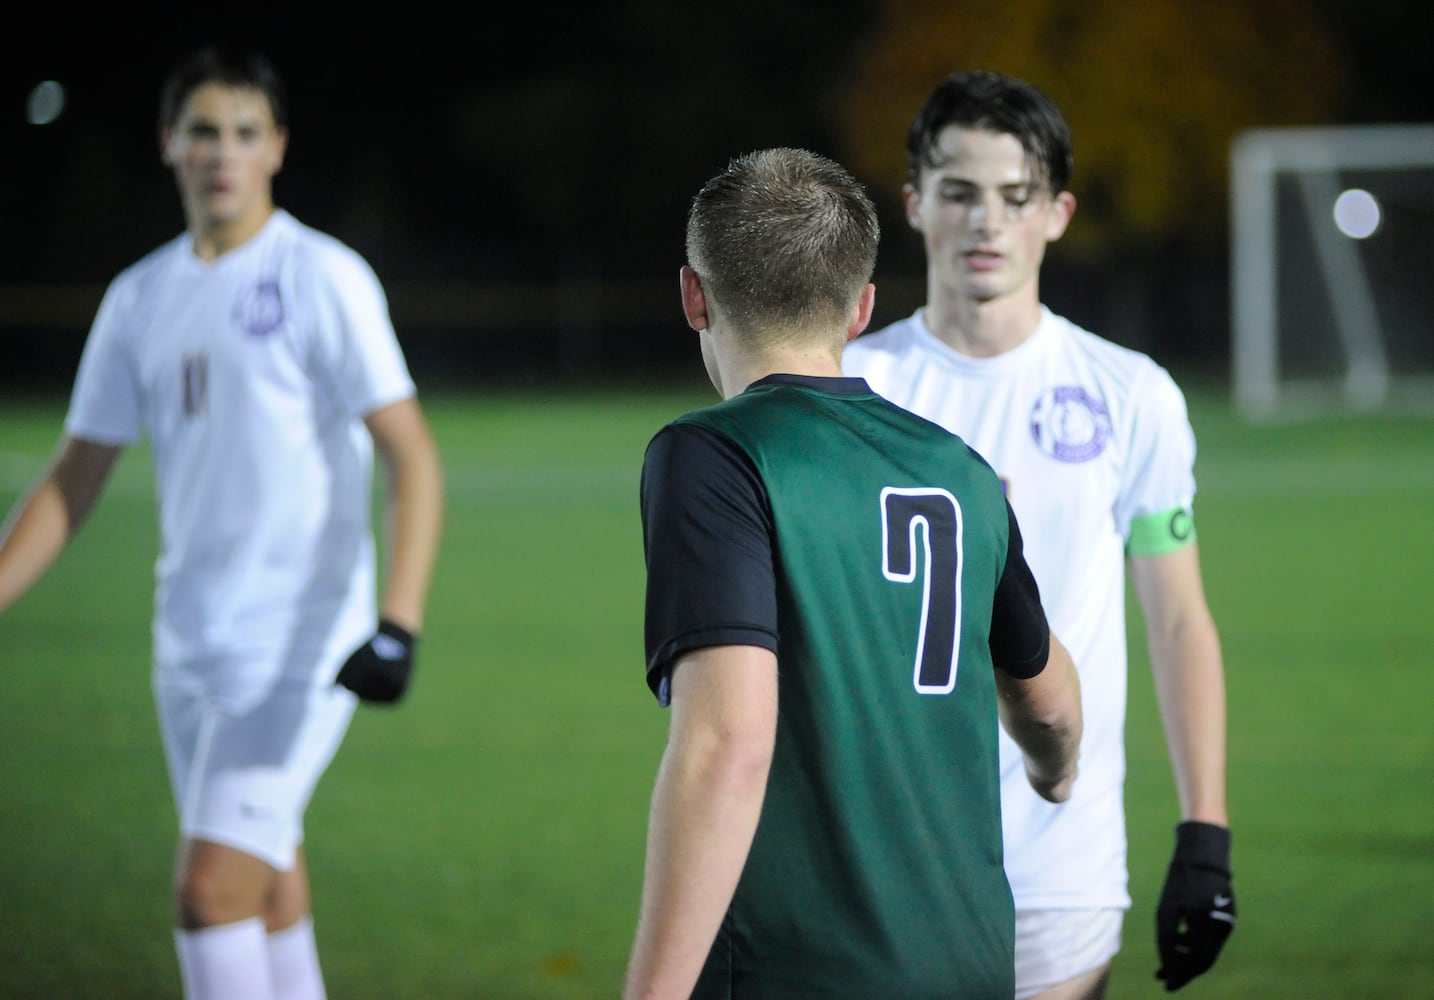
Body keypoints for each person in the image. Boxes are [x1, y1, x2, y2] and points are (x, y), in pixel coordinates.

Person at [0, 46, 444, 1000]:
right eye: (203, 130)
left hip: (301, 643)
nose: (222, 153)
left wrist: (396, 626)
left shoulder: (324, 276)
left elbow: (413, 458)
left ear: (277, 148)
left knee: (209, 890)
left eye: (245, 133)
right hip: (189, 646)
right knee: (267, 886)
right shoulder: (138, 297)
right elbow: (75, 476)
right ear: (169, 143)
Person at [623, 146, 1083, 999]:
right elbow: (1049, 702)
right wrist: (1054, 772)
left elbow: (727, 743)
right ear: (862, 309)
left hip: (803, 971)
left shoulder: (713, 456)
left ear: (694, 294)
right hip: (973, 964)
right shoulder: (961, 470)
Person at [842, 70, 1235, 998]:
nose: (987, 222)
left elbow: (1178, 620)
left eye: (1015, 198)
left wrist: (1205, 833)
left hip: (1062, 860)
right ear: (914, 204)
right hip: (883, 856)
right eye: (960, 193)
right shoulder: (852, 387)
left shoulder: (1129, 393)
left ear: (1057, 213)